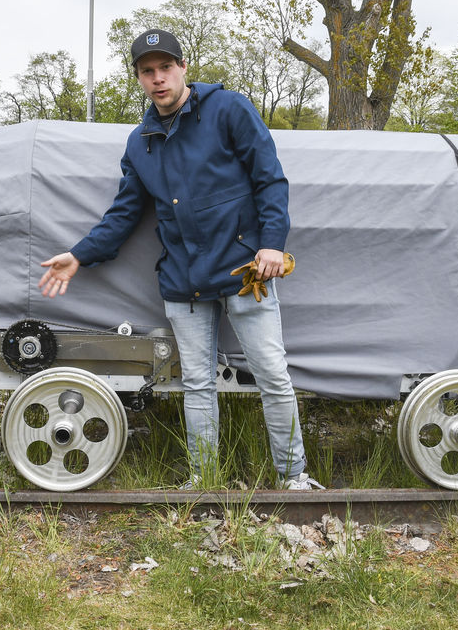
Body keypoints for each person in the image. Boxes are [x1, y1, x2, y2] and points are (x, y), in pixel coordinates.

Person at [39, 29, 318, 490]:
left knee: (272, 374)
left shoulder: (229, 109)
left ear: (183, 67)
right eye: (148, 71)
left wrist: (271, 242)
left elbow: (270, 179)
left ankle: (294, 479)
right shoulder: (139, 142)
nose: (158, 79)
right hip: (183, 281)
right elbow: (124, 213)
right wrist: (80, 255)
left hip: (245, 271)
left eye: (165, 68)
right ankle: (203, 479)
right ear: (139, 78)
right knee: (198, 385)